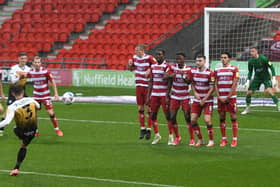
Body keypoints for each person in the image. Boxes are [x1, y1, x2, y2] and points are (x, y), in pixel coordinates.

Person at [18, 56, 63, 136]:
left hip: (46, 96)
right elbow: (23, 77)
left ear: (41, 63)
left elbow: (53, 82)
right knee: (33, 114)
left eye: (38, 62)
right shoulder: (31, 72)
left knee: (51, 113)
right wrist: (18, 76)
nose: (37, 64)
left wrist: (56, 94)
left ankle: (57, 129)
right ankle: (36, 131)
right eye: (36, 62)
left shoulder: (45, 71)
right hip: (36, 96)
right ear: (33, 63)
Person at [0, 85, 40, 176]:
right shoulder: (31, 100)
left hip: (21, 132)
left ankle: (16, 169)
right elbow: (38, 107)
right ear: (23, 92)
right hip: (33, 130)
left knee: (15, 129)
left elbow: (6, 122)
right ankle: (16, 168)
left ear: (13, 94)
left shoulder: (12, 107)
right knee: (24, 146)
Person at [128, 44, 157, 140]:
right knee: (140, 108)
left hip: (147, 86)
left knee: (149, 108)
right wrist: (129, 65)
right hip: (139, 85)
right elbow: (131, 70)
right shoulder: (134, 58)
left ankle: (149, 129)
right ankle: (142, 128)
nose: (136, 52)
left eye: (137, 50)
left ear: (142, 51)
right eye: (135, 50)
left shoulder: (150, 58)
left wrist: (150, 69)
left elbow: (157, 67)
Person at [146, 49, 175, 145]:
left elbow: (170, 80)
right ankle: (157, 135)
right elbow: (151, 81)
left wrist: (167, 94)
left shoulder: (167, 66)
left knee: (168, 116)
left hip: (163, 94)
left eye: (160, 54)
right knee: (153, 115)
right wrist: (148, 96)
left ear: (163, 56)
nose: (158, 56)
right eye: (157, 55)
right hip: (154, 94)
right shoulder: (153, 66)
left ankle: (171, 136)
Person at [166, 52, 194, 146]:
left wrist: (184, 77)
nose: (178, 61)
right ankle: (177, 137)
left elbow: (189, 82)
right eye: (177, 59)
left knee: (187, 117)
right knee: (172, 117)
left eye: (180, 59)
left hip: (185, 96)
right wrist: (171, 75)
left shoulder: (188, 69)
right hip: (175, 96)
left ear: (184, 59)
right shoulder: (172, 67)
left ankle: (192, 138)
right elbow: (165, 76)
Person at [0, 52, 30, 136]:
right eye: (22, 59)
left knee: (28, 108)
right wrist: (20, 76)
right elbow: (12, 81)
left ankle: (25, 128)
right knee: (8, 111)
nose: (23, 60)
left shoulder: (28, 68)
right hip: (14, 91)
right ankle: (1, 128)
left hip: (22, 91)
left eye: (25, 59)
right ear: (18, 59)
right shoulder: (13, 68)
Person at [241, 47, 279, 114]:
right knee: (248, 93)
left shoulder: (264, 58)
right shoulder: (250, 61)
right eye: (250, 52)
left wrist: (273, 78)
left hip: (266, 77)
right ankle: (247, 108)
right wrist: (247, 81)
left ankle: (278, 106)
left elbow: (272, 67)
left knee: (270, 92)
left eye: (253, 51)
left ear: (256, 51)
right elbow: (250, 72)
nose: (251, 53)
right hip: (257, 78)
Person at [214, 52, 239, 147]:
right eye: (222, 57)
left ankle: (234, 139)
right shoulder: (217, 70)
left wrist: (228, 96)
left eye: (225, 57)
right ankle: (224, 139)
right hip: (221, 98)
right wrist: (218, 96)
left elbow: (235, 83)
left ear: (229, 59)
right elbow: (215, 83)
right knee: (222, 117)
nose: (223, 59)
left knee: (233, 117)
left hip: (231, 98)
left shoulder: (234, 69)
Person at [189, 55, 215, 147]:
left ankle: (211, 141)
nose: (198, 62)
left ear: (204, 61)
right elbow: (192, 83)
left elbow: (212, 88)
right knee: (192, 120)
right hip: (197, 100)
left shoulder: (210, 73)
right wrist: (195, 92)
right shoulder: (193, 71)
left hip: (207, 101)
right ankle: (200, 139)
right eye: (196, 61)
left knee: (207, 120)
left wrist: (204, 99)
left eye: (200, 61)